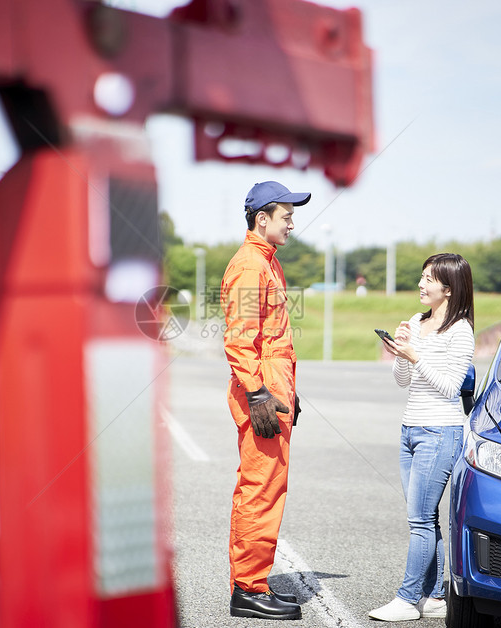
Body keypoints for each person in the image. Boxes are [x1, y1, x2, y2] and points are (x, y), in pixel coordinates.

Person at [221, 181, 310, 620]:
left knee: (268, 486)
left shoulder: (267, 263)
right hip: (261, 391)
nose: (293, 222)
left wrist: (288, 391)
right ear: (263, 219)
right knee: (260, 488)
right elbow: (240, 340)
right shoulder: (251, 266)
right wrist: (258, 393)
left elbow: (274, 339)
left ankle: (253, 581)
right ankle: (248, 588)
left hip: (274, 387)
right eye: (286, 215)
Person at [369, 253, 475, 622]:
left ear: (449, 288)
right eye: (422, 276)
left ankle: (407, 598)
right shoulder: (417, 321)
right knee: (425, 518)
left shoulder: (460, 331)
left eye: (428, 279)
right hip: (410, 430)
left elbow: (450, 387)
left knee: (419, 518)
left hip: (441, 431)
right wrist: (400, 353)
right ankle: (433, 598)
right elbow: (403, 381)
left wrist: (415, 356)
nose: (421, 284)